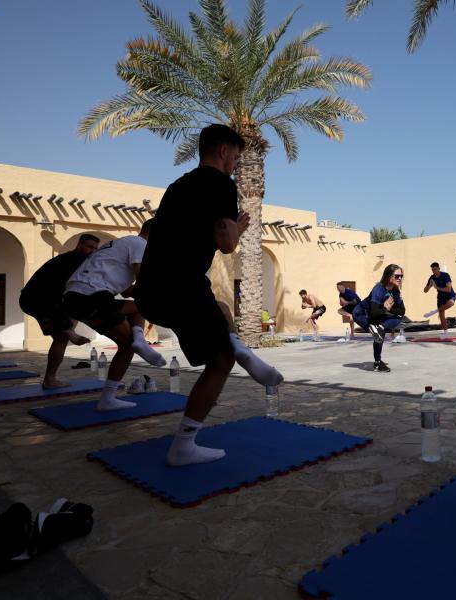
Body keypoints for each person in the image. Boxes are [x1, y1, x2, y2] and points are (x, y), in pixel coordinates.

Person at [134, 123, 283, 467]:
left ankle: (240, 347)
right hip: (181, 284)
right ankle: (183, 446)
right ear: (223, 151)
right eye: (236, 157)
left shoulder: (177, 186)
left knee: (220, 306)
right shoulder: (219, 184)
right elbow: (227, 245)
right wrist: (238, 229)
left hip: (152, 289)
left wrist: (232, 226)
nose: (236, 164)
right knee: (219, 360)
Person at [63, 221, 167, 411]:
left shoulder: (122, 246)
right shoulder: (140, 244)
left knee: (138, 307)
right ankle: (107, 399)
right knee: (127, 347)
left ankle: (139, 340)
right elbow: (144, 283)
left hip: (77, 298)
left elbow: (128, 292)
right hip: (92, 295)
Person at [19, 234, 99, 389]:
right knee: (64, 334)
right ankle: (70, 333)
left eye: (95, 248)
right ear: (79, 245)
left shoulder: (77, 261)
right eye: (90, 247)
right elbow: (63, 290)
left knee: (60, 339)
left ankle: (50, 379)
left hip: (45, 301)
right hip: (37, 299)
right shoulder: (73, 261)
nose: (93, 251)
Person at [352, 264, 406, 373]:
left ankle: (379, 328)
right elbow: (374, 312)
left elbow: (402, 311)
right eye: (397, 276)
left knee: (396, 319)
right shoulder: (378, 289)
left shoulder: (395, 291)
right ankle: (377, 362)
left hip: (377, 313)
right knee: (379, 333)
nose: (400, 278)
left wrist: (388, 309)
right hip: (361, 314)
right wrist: (385, 307)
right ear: (388, 276)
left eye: (401, 276)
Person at [423, 262, 456, 338]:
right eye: (432, 270)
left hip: (449, 295)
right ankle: (446, 333)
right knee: (441, 315)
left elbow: (448, 289)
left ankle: (434, 311)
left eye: (435, 269)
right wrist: (429, 285)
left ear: (439, 269)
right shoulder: (432, 278)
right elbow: (425, 290)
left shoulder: (445, 275)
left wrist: (436, 287)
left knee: (451, 303)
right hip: (440, 297)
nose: (434, 271)